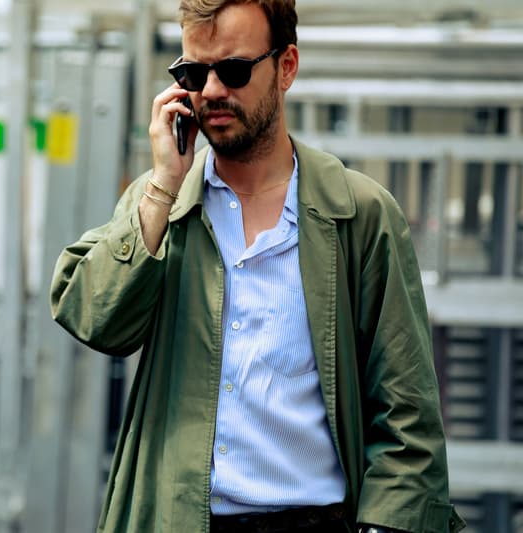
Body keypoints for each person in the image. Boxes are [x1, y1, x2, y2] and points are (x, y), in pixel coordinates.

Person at [50, 1, 466, 532]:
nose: (213, 91)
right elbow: (95, 321)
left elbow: (407, 411)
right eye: (193, 73)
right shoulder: (162, 204)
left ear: (286, 66)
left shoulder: (358, 214)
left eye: (235, 70)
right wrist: (161, 186)